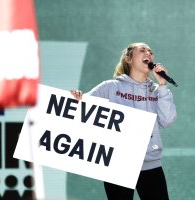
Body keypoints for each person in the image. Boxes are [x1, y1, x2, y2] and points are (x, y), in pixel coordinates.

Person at [71, 42, 177, 200]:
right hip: (117, 164)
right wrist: (77, 99)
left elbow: (167, 120)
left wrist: (162, 86)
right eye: (142, 50)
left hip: (150, 163)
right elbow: (82, 111)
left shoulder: (158, 91)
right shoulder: (109, 87)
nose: (148, 54)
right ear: (128, 59)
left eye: (151, 52)